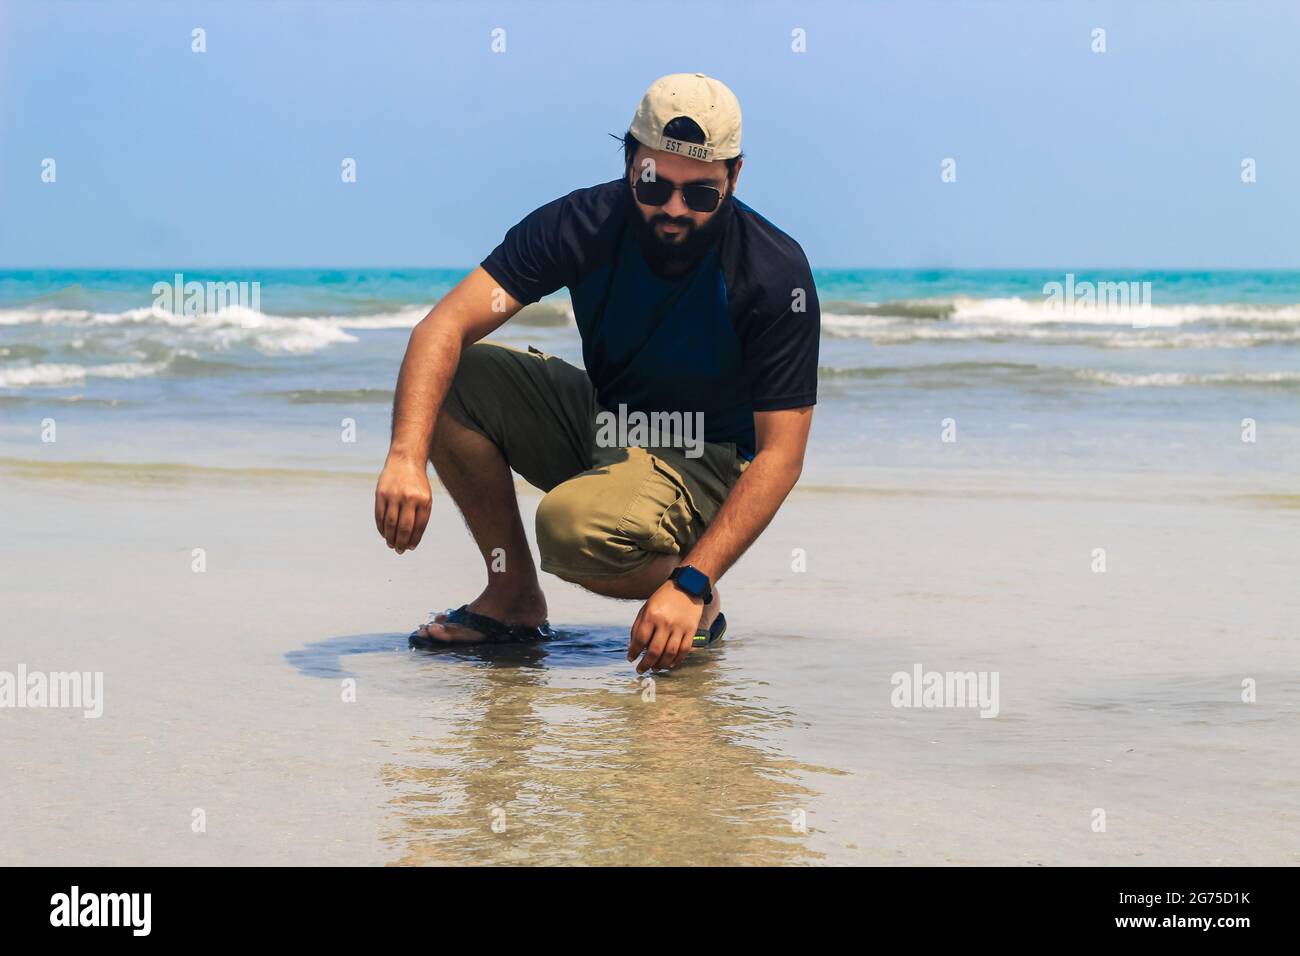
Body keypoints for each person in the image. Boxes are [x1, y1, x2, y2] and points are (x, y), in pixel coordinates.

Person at [374, 72, 820, 673]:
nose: (673, 208)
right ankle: (511, 599)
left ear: (735, 177)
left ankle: (698, 604)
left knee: (568, 528)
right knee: (453, 378)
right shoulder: (580, 224)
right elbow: (441, 329)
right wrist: (406, 455)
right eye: (653, 183)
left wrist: (690, 582)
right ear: (629, 160)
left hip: (706, 454)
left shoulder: (772, 272)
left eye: (702, 194)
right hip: (608, 422)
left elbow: (780, 459)